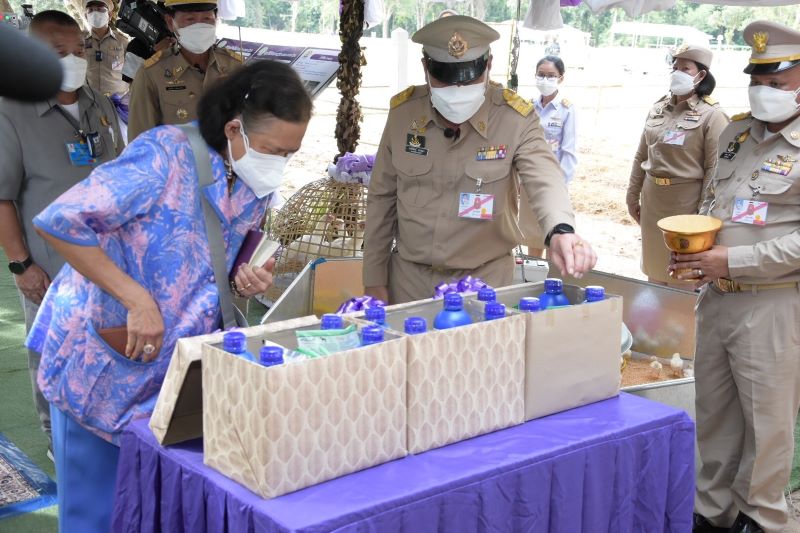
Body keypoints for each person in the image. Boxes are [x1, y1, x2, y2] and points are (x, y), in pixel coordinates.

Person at [26, 60, 311, 532]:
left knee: (150, 509)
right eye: (273, 150)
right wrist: (135, 298)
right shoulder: (164, 154)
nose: (279, 164)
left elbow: (219, 261)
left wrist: (245, 279)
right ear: (234, 129)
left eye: (290, 154)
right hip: (106, 359)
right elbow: (61, 221)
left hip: (173, 376)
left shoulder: (252, 180)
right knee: (95, 514)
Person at [362, 15, 596, 304]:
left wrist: (561, 230)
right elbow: (381, 198)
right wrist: (374, 279)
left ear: (488, 65)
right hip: (409, 282)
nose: (457, 89)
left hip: (485, 284)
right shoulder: (403, 114)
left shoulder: (515, 119)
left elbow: (545, 178)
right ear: (425, 68)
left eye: (469, 77)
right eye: (445, 77)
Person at [671, 21, 800, 533]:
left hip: (773, 305)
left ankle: (761, 518)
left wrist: (735, 261)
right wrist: (696, 253)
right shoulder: (737, 133)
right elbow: (716, 206)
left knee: (767, 425)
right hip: (717, 299)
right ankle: (712, 513)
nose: (764, 91)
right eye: (758, 80)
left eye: (777, 82)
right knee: (715, 416)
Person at [0, 10, 123, 456]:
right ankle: (57, 439)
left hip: (106, 258)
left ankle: (103, 426)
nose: (73, 59)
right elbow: (2, 198)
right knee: (50, 348)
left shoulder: (98, 103)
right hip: (49, 264)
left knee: (104, 344)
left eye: (79, 50)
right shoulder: (10, 112)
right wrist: (21, 265)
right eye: (58, 52)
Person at [626, 44, 728, 288]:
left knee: (684, 273)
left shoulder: (712, 115)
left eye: (685, 68)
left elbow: (714, 169)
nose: (677, 73)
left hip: (686, 204)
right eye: (675, 67)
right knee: (654, 268)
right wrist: (632, 195)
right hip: (653, 200)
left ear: (700, 75)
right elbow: (641, 154)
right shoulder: (658, 108)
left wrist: (703, 215)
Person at [127, 0, 242, 140]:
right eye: (190, 19)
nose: (199, 26)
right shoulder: (151, 74)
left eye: (207, 18)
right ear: (170, 22)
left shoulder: (236, 68)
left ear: (216, 20)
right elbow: (140, 142)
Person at [519, 54, 577, 258]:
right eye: (541, 74)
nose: (545, 79)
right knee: (531, 233)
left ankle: (548, 273)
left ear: (561, 78)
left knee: (552, 233)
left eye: (551, 75)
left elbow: (569, 151)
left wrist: (562, 185)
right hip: (529, 178)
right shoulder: (527, 106)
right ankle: (533, 270)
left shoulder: (567, 109)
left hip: (553, 182)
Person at [84, 0, 130, 98]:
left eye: (100, 9)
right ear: (86, 16)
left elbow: (132, 73)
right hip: (91, 99)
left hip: (118, 100)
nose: (95, 13)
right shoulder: (80, 41)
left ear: (109, 15)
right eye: (90, 10)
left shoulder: (122, 41)